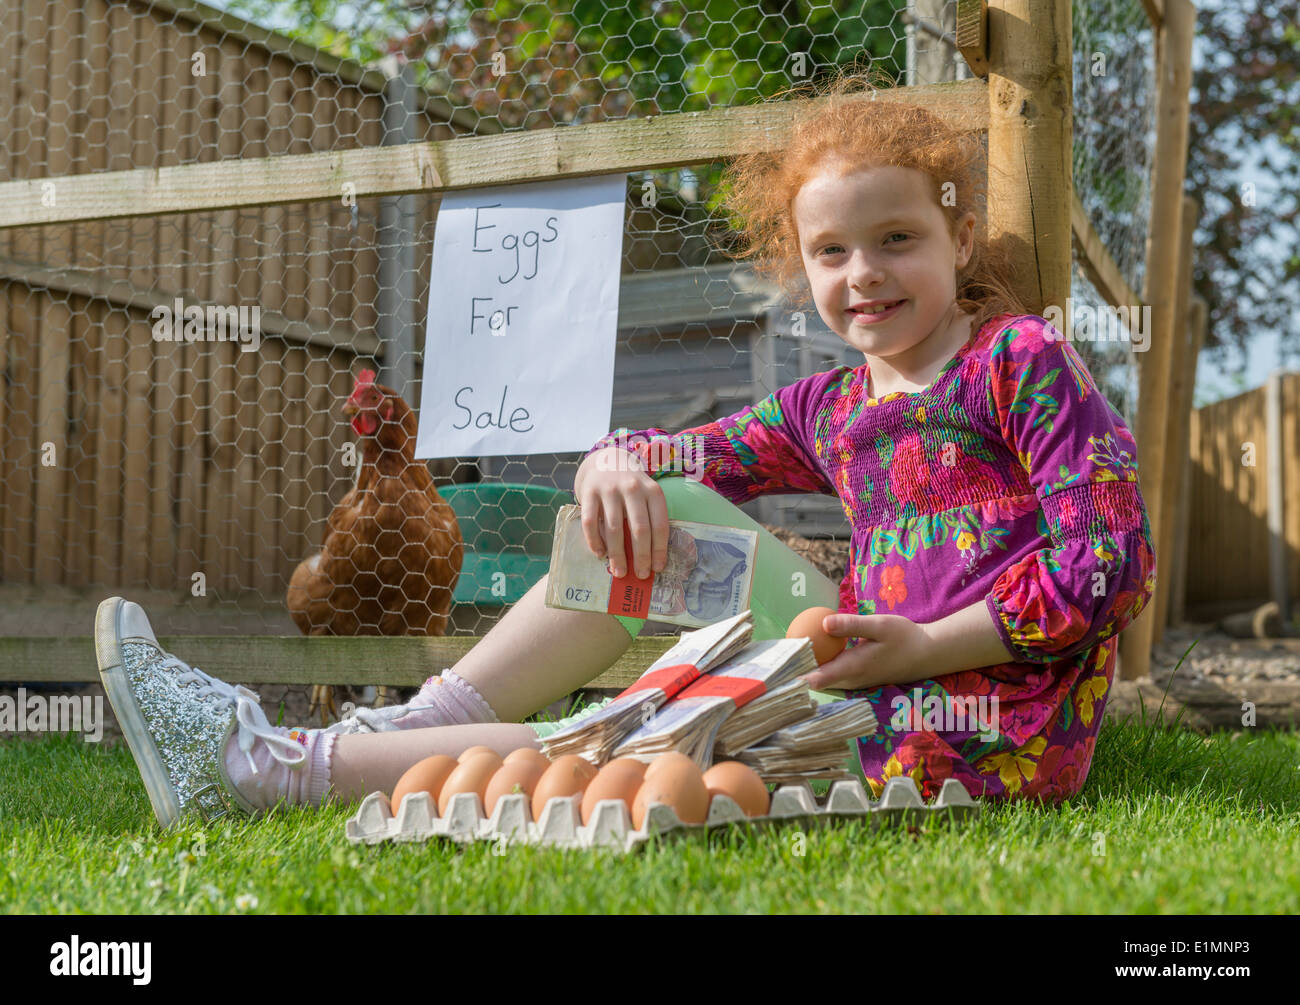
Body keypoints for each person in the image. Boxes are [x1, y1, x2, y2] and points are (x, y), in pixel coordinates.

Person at [96, 73, 1154, 830]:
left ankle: (270, 765)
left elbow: (1111, 562)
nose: (864, 275)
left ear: (957, 240)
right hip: (859, 661)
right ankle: (429, 719)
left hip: (982, 716)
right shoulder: (827, 406)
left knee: (630, 732)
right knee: (633, 512)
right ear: (802, 269)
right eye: (831, 252)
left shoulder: (1017, 362)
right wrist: (617, 459)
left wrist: (925, 650)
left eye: (896, 240)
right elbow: (674, 458)